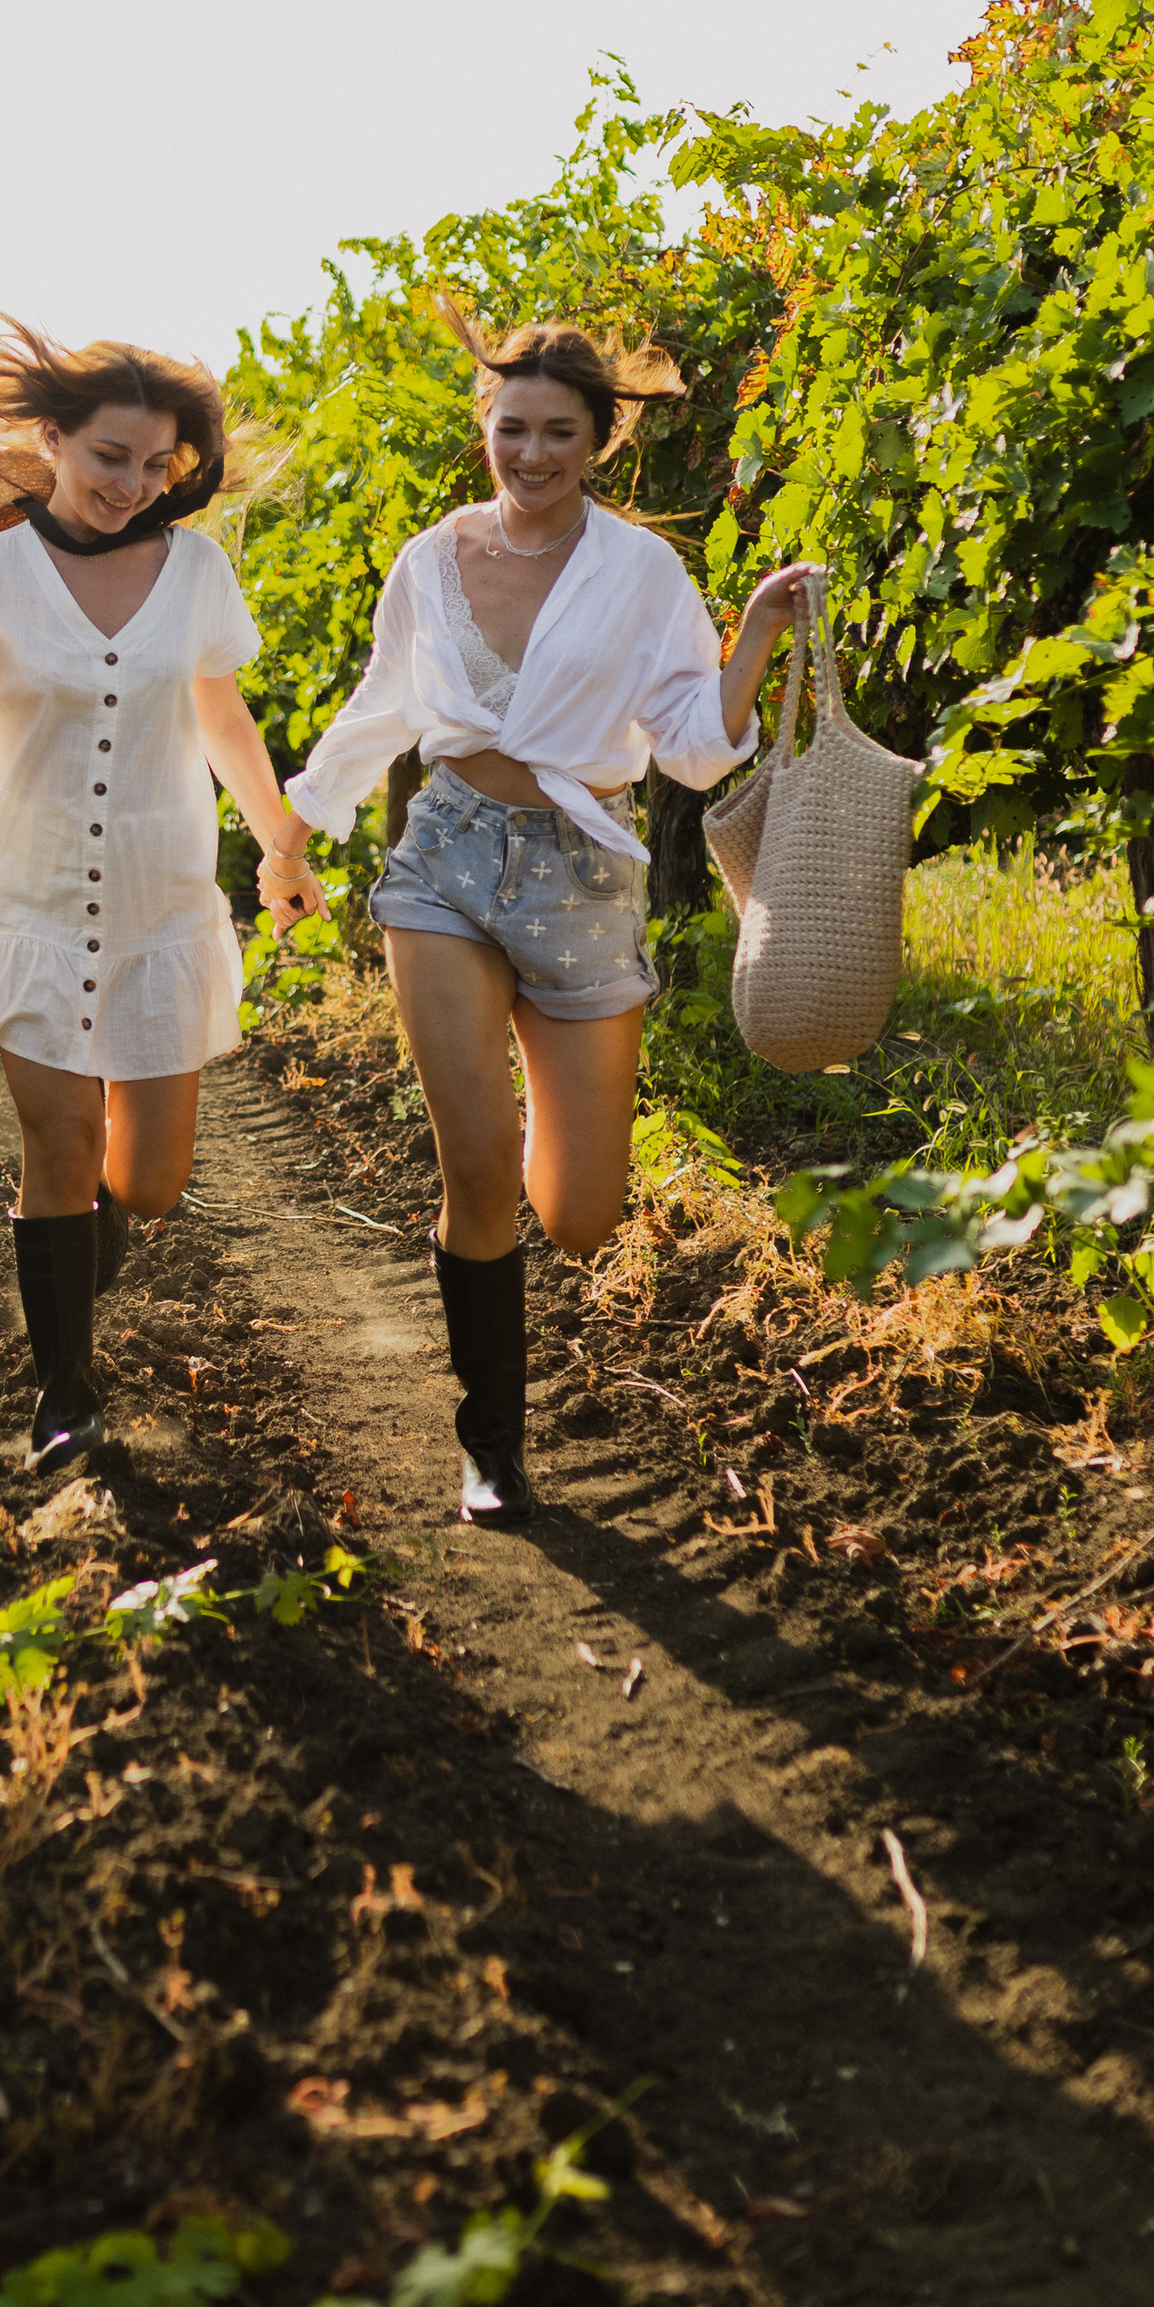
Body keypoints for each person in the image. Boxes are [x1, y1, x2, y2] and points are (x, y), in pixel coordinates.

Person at [262, 297, 822, 1530]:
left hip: (580, 874)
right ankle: (492, 1449)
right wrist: (292, 830)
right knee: (473, 1168)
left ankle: (529, 1166)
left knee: (578, 1214)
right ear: (485, 427)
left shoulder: (642, 572)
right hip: (446, 857)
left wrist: (757, 642)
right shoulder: (433, 557)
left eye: (557, 433)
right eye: (511, 429)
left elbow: (687, 751)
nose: (530, 456)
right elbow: (377, 708)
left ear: (600, 442)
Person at [0, 320, 315, 1478]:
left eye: (155, 466)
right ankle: (66, 1391)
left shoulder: (196, 571)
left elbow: (220, 717)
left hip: (157, 901)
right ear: (52, 439)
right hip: (25, 898)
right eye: (109, 457)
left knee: (152, 1180)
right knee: (61, 1141)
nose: (132, 485)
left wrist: (280, 843)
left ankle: (79, 1246)